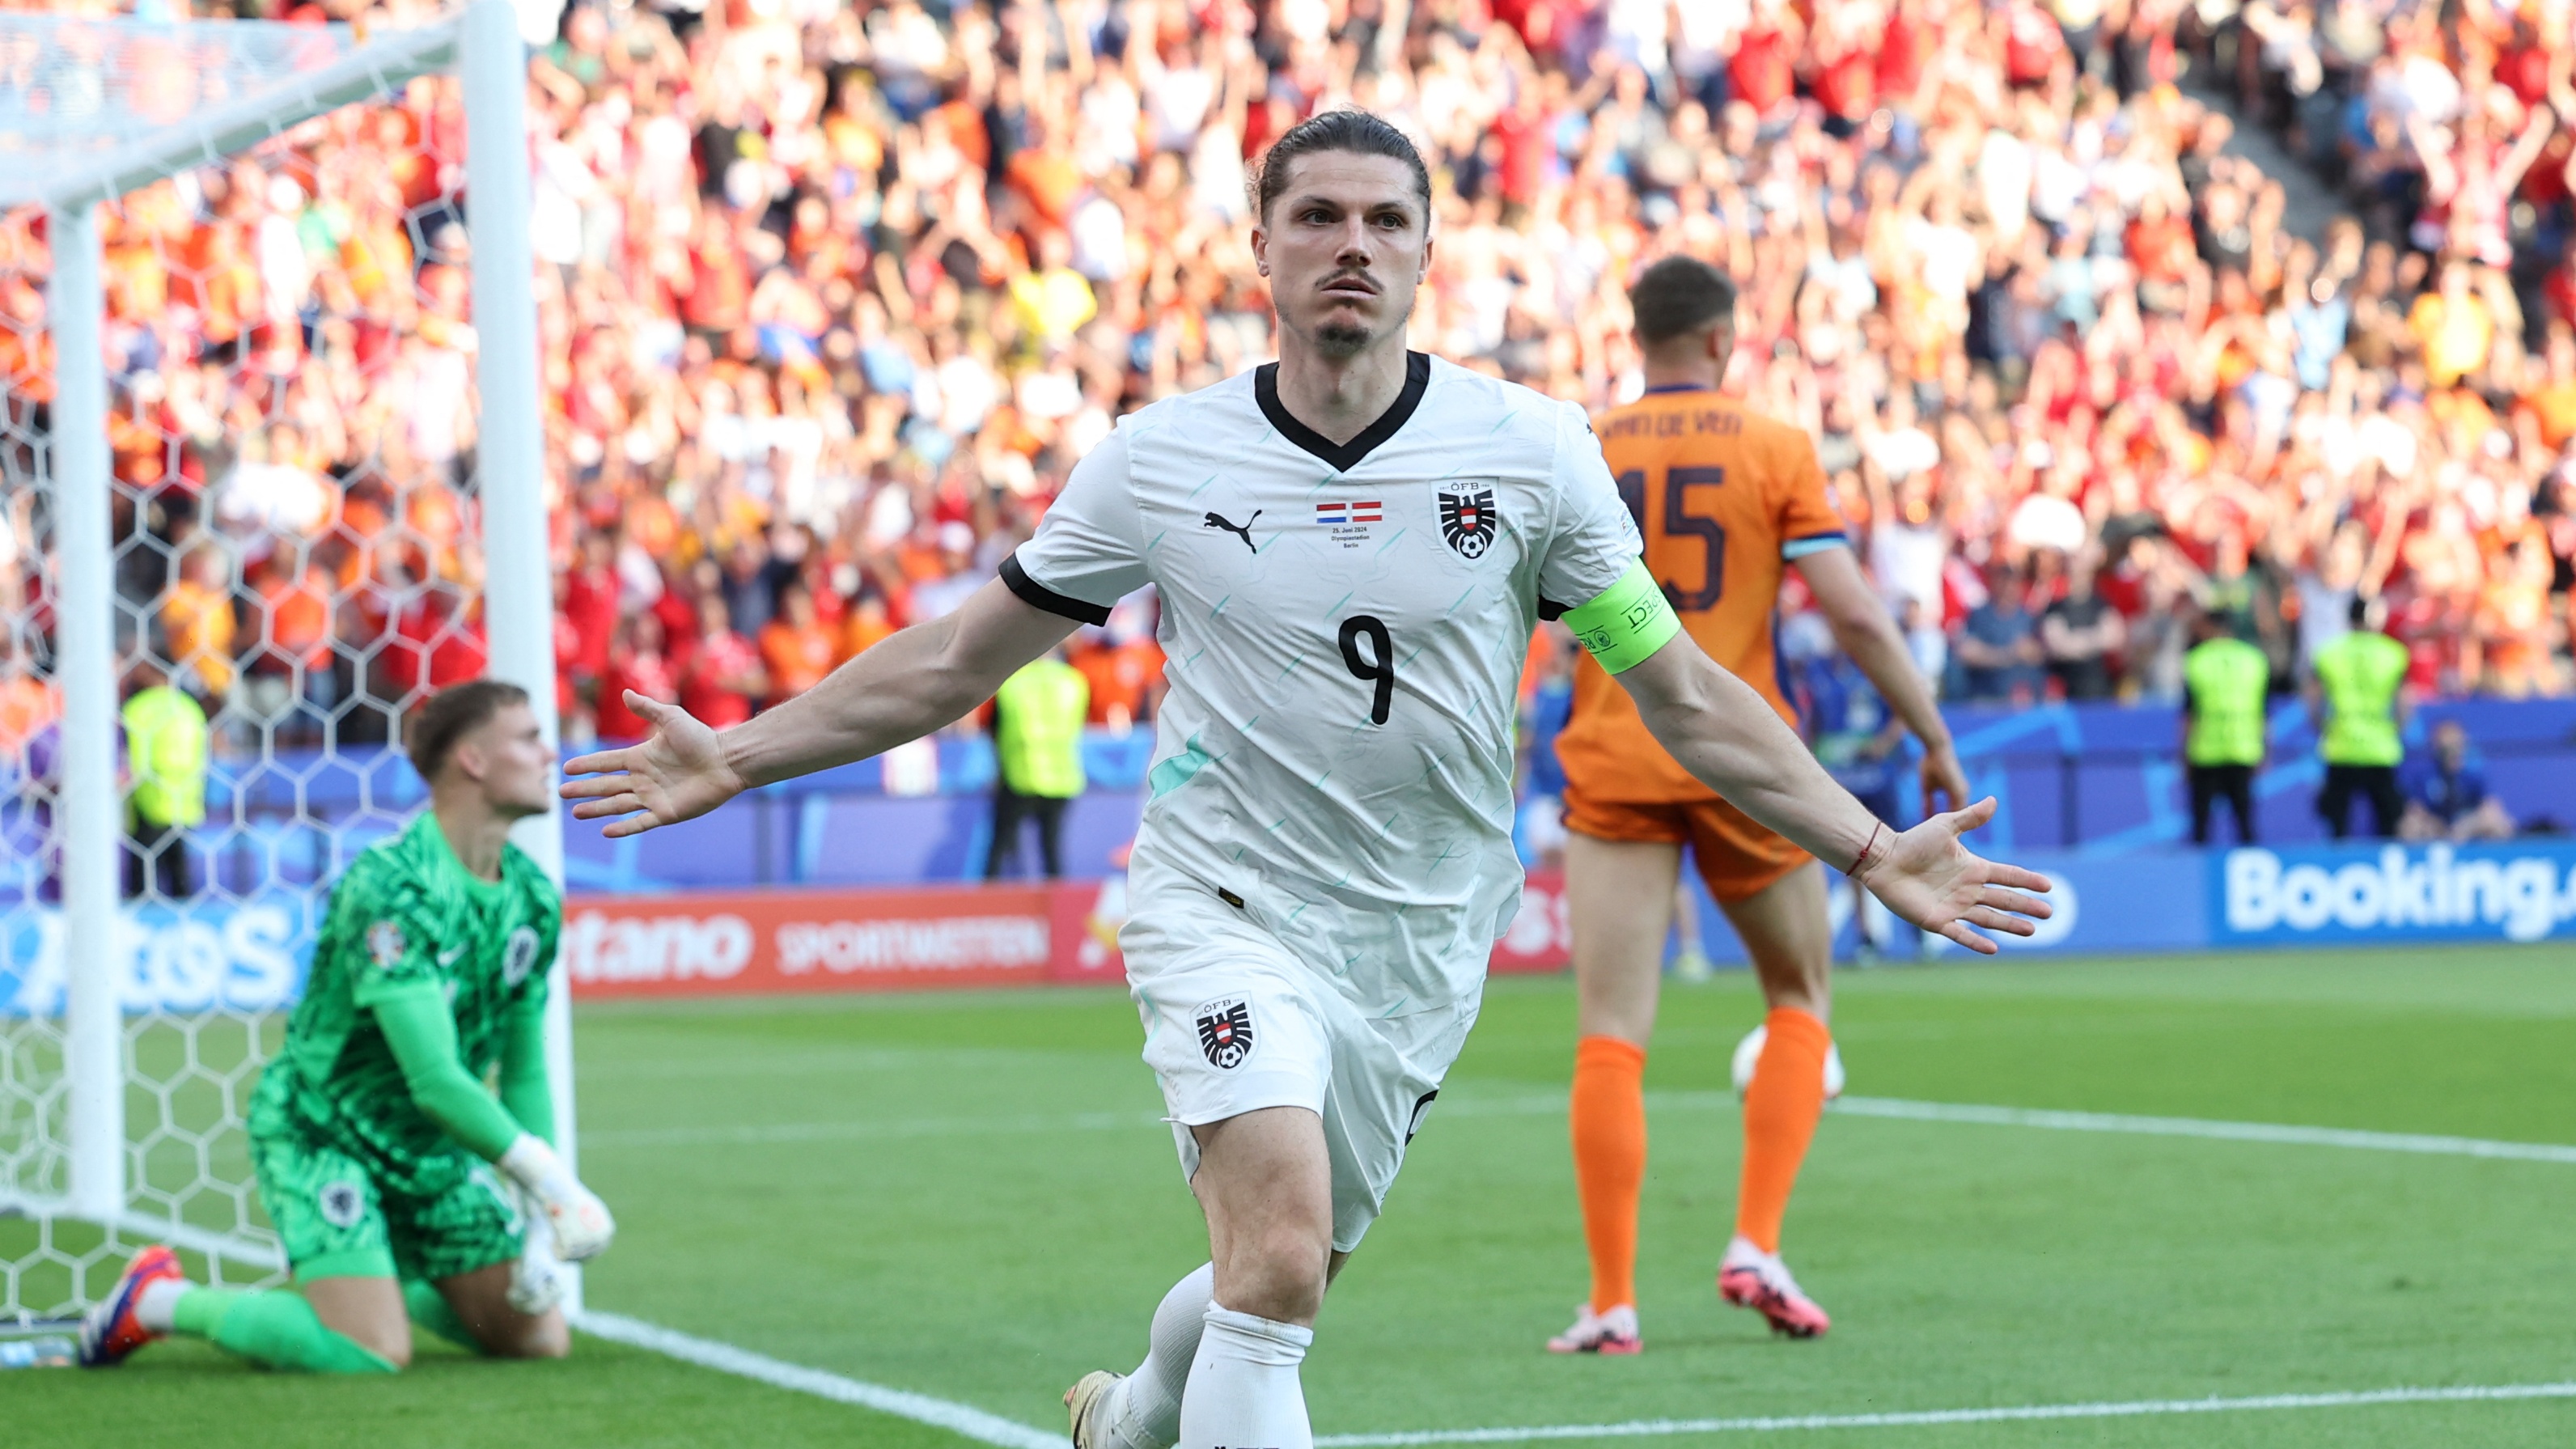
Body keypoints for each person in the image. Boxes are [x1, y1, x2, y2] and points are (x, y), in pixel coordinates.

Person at [558, 113, 2046, 1449]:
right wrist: (737, 753)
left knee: (1273, 1276)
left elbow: (1685, 695)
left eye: (1386, 220)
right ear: (1257, 247)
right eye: (1318, 216)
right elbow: (956, 660)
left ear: (1427, 255)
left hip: (1418, 937)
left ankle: (1130, 1415)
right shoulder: (1158, 460)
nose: (1352, 245)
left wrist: (1867, 847)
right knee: (1273, 1260)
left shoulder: (1531, 454)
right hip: (1223, 903)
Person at [1544, 256, 1972, 1354]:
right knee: (1800, 992)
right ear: (1723, 339)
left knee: (1610, 1034)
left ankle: (1611, 1302)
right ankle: (1755, 1243)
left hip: (1617, 752)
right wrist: (1929, 732)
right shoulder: (1774, 445)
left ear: (1636, 335)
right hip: (1745, 759)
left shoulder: (1581, 444)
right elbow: (1856, 616)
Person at [80, 680, 616, 1374]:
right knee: (369, 1352)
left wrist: (539, 1216)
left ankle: (373, 1278)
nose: (550, 753)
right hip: (325, 1132)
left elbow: (523, 1071)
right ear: (474, 760)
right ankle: (159, 1299)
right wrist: (553, 1182)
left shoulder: (532, 898)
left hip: (429, 1150)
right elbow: (435, 1079)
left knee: (535, 1337)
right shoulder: (393, 886)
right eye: (530, 738)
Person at [2306, 595, 2411, 839]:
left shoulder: (2329, 653)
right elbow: (2404, 705)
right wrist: (2393, 730)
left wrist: (2323, 728)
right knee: (2388, 825)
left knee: (2338, 825)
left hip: (2341, 745)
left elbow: (2313, 701)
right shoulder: (2393, 653)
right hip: (2380, 747)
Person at [988, 647, 1091, 879]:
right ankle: (1059, 902)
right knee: (1052, 851)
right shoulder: (1074, 681)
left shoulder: (1012, 682)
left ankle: (988, 899)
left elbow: (995, 728)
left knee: (999, 848)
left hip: (1020, 774)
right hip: (1062, 776)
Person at [121, 661, 208, 901]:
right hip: (185, 799)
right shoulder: (189, 707)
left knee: (143, 878)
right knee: (179, 872)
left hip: (148, 799)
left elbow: (132, 758)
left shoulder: (139, 707)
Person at [2180, 610, 2269, 846]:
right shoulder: (2254, 660)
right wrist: (2265, 750)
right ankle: (2250, 864)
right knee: (2245, 824)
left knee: (2201, 828)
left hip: (2206, 750)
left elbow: (2189, 715)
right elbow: (2264, 713)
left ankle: (2198, 868)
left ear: (2210, 627)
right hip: (2243, 748)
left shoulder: (2196, 660)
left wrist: (2184, 755)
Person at [2398, 718, 2515, 841]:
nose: (2453, 753)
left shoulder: (2474, 775)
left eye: (2457, 746)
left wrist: (2466, 825)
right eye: (2447, 749)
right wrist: (2437, 826)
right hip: (2437, 828)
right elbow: (2415, 809)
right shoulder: (2425, 776)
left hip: (2467, 827)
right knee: (2410, 826)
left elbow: (2490, 806)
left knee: (2497, 822)